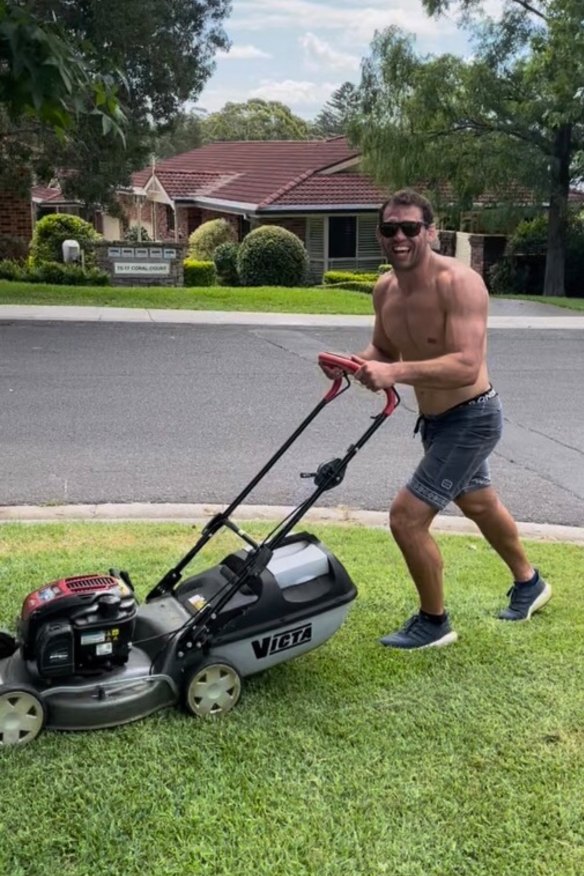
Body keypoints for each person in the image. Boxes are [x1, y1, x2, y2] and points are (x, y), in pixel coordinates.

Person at [323, 188, 551, 650]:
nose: (400, 238)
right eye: (390, 229)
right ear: (381, 235)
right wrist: (353, 363)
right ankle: (529, 583)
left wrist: (394, 372)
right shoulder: (385, 289)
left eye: (410, 228)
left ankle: (434, 621)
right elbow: (384, 351)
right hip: (435, 422)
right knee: (479, 504)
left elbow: (466, 364)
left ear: (431, 231)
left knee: (407, 518)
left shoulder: (459, 283)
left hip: (473, 417)